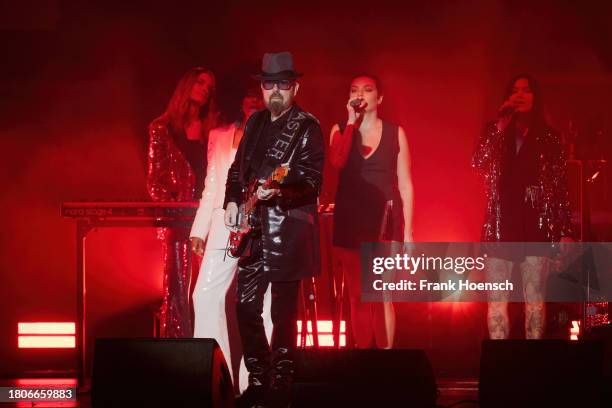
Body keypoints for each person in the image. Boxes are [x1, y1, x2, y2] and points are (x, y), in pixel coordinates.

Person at [224, 52, 324, 407]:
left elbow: (312, 184)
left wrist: (278, 191)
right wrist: (233, 201)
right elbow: (237, 170)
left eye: (283, 83)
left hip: (286, 232)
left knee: (283, 314)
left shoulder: (307, 127)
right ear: (262, 88)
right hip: (252, 232)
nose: (276, 90)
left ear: (294, 87)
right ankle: (259, 379)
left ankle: (281, 383)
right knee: (245, 307)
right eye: (269, 84)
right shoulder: (254, 124)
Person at [472, 74, 573, 339]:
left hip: (536, 220)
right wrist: (500, 126)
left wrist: (564, 229)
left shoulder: (550, 137)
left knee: (535, 295)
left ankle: (532, 364)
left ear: (536, 96)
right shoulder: (495, 130)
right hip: (501, 221)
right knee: (496, 297)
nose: (520, 95)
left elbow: (560, 185)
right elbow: (478, 164)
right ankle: (499, 362)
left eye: (526, 90)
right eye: (515, 90)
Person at [190, 88, 272, 393]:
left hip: (264, 223)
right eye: (247, 91)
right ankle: (216, 377)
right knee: (204, 295)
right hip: (224, 223)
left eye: (259, 91)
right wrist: (200, 229)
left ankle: (254, 382)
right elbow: (211, 185)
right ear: (239, 97)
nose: (252, 97)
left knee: (263, 303)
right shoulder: (219, 135)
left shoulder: (279, 131)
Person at [329, 74, 414, 349]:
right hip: (351, 219)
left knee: (383, 293)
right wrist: (351, 123)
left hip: (385, 219)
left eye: (368, 89)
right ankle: (364, 361)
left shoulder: (395, 133)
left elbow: (405, 184)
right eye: (355, 90)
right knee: (357, 294)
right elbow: (337, 162)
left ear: (380, 98)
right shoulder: (339, 129)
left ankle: (386, 361)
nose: (361, 95)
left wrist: (410, 232)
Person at [146, 66, 218, 337]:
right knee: (177, 287)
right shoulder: (161, 128)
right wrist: (175, 206)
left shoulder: (213, 129)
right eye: (200, 82)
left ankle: (209, 343)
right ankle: (177, 347)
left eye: (209, 86)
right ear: (187, 84)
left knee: (209, 286)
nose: (205, 89)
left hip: (209, 217)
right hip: (178, 219)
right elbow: (155, 181)